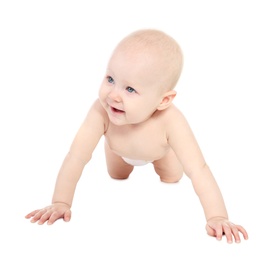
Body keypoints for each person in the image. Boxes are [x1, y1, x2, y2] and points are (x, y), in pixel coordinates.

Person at [25, 29, 248, 243]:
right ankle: (120, 162)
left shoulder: (171, 121)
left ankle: (164, 167)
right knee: (117, 175)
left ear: (163, 101)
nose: (113, 95)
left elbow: (198, 169)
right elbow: (76, 156)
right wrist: (60, 202)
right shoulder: (101, 111)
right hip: (117, 150)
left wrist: (217, 216)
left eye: (130, 89)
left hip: (161, 153)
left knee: (171, 178)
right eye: (110, 79)